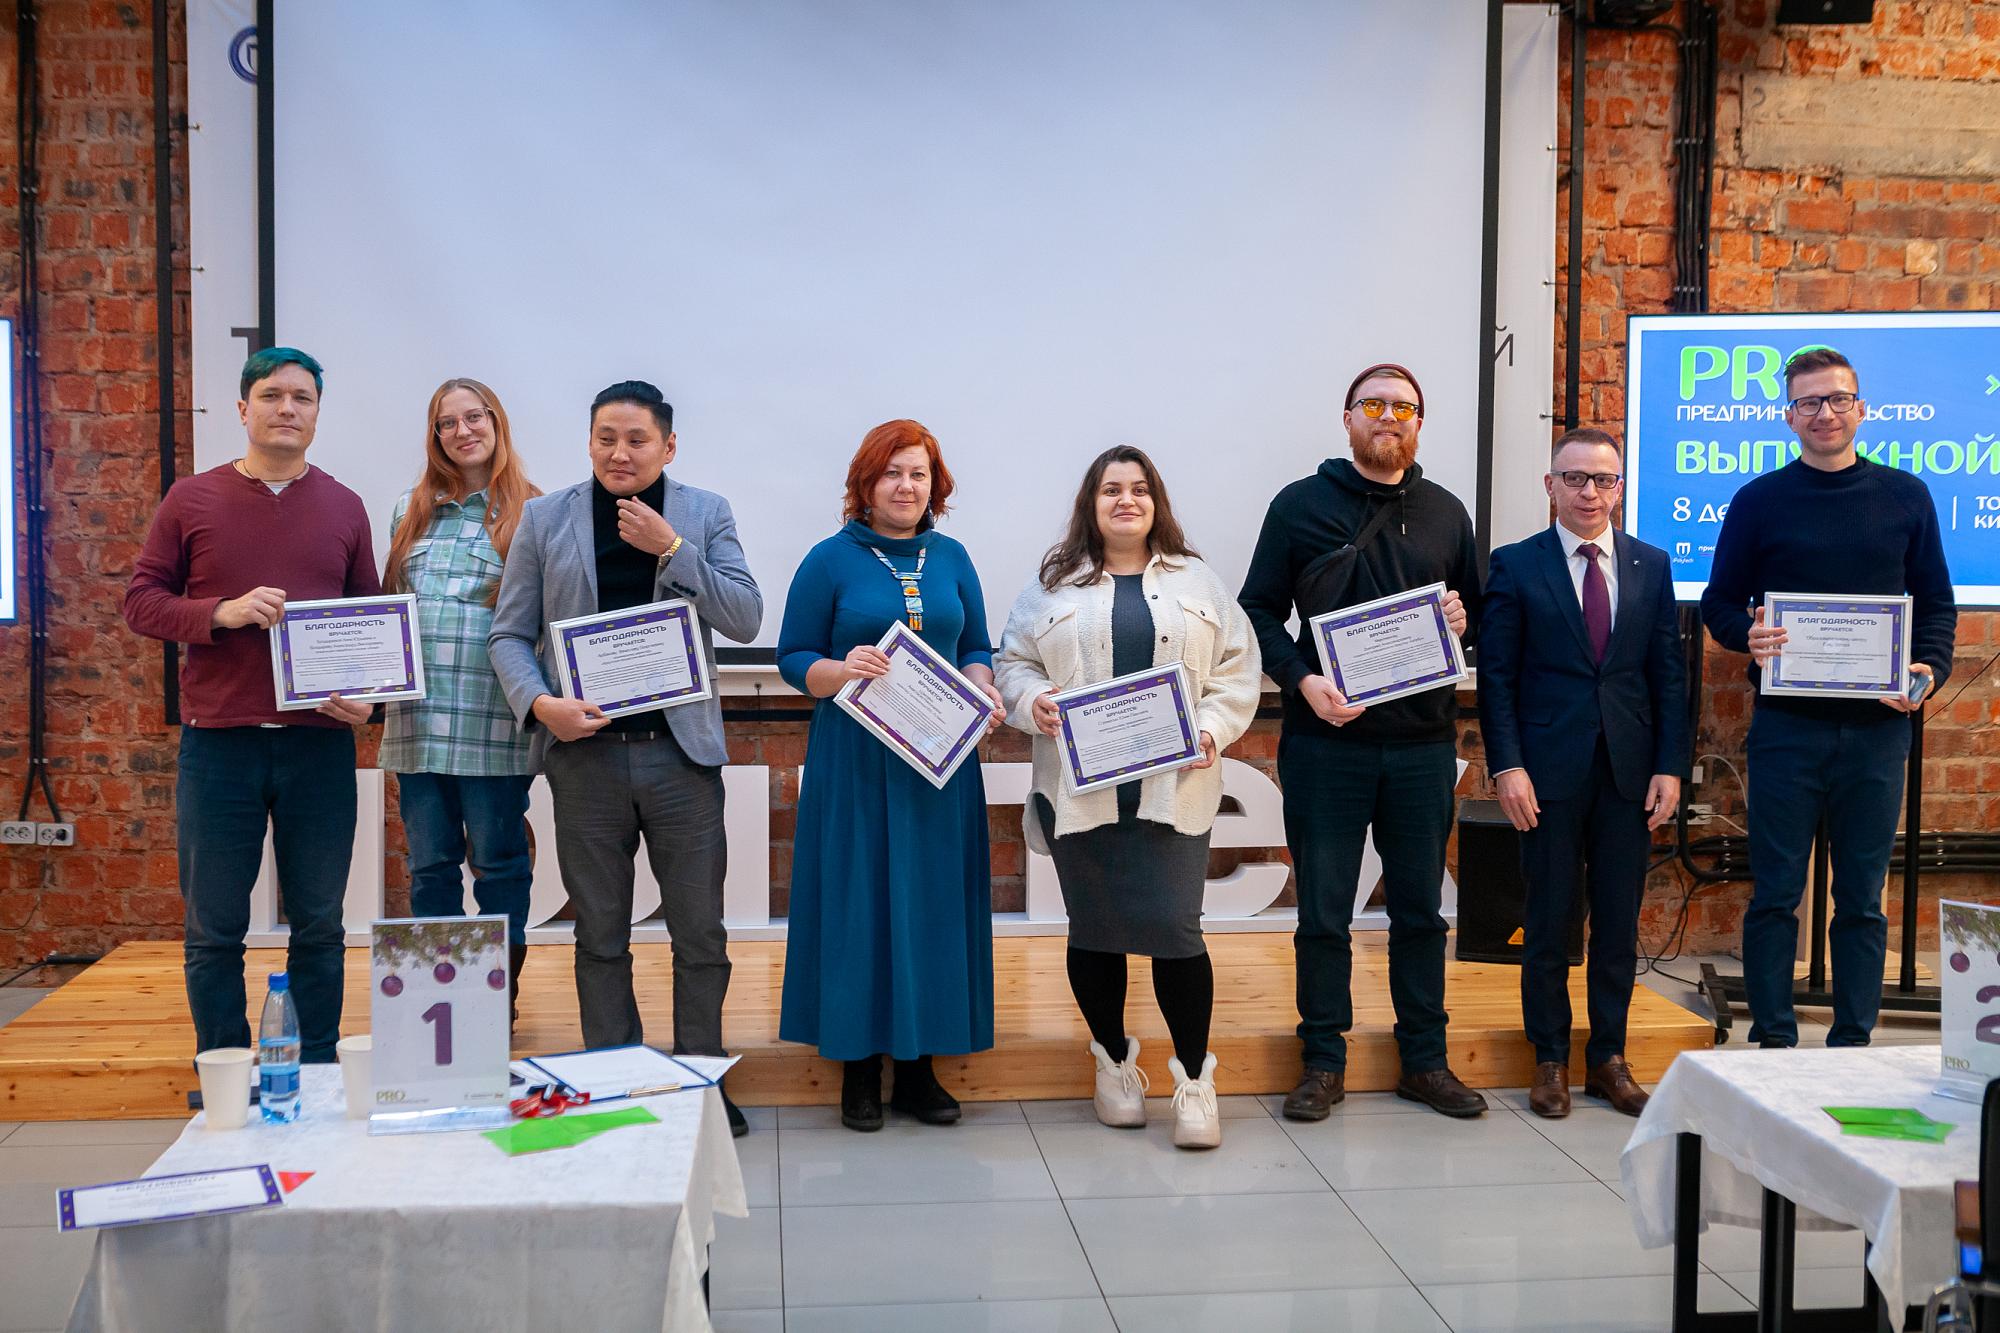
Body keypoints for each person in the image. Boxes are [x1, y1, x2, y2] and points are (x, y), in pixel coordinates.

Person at [488, 379, 761, 1135]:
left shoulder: (704, 514)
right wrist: (541, 704)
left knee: (700, 933)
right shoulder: (546, 518)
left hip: (680, 757)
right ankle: (615, 1078)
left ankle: (702, 1080)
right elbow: (509, 634)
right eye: (605, 437)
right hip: (587, 761)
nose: (620, 452)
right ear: (589, 442)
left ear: (667, 446)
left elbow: (744, 618)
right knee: (600, 934)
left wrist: (670, 548)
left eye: (637, 439)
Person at [1239, 362, 1487, 1119]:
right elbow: (1257, 609)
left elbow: (1476, 617)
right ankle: (1322, 1061)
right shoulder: (1298, 505)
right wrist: (1300, 680)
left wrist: (1460, 622)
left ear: (1420, 423)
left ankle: (1425, 1062)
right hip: (1326, 746)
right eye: (1373, 405)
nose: (1389, 417)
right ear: (1347, 418)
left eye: (1403, 408)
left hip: (1422, 747)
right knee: (1323, 914)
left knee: (1420, 912)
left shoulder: (1447, 511)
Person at [995, 446, 1261, 1149]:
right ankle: (1113, 1063)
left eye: (1139, 489)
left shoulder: (1197, 580)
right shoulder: (1051, 587)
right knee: (1095, 931)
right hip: (1080, 794)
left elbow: (1238, 669)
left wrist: (1211, 728)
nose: (1126, 500)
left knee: (1176, 932)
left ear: (1155, 502)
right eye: (1111, 489)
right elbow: (1012, 662)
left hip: (1174, 791)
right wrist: (1033, 699)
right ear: (1092, 503)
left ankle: (1195, 1080)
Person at [124, 347, 378, 1062]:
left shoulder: (345, 506)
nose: (287, 408)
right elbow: (141, 602)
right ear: (243, 409)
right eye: (271, 395)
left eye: (302, 398)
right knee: (213, 930)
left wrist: (370, 701)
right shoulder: (190, 499)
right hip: (219, 746)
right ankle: (226, 1073)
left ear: (317, 414)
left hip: (318, 747)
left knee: (321, 925)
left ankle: (316, 1070)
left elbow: (369, 621)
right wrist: (221, 611)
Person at [1701, 347, 1955, 1050]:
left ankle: (1853, 1043)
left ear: (1861, 409)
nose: (1825, 413)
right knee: (1775, 893)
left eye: (1838, 399)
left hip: (1878, 732)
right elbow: (1719, 604)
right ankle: (1774, 1041)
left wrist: (1927, 671)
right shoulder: (1758, 500)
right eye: (1809, 402)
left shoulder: (1907, 496)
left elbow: (1936, 605)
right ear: (1790, 416)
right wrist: (1746, 635)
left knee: (1862, 899)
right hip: (1786, 729)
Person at [776, 419, 1004, 1132]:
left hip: (939, 763)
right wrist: (840, 669)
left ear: (936, 485)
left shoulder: (953, 556)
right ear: (865, 484)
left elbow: (975, 644)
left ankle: (917, 1068)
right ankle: (857, 1068)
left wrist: (982, 687)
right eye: (892, 473)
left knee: (931, 903)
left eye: (919, 474)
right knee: (858, 905)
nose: (906, 486)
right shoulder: (828, 560)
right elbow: (792, 656)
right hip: (856, 761)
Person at [1479, 427, 1686, 1118]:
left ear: (1619, 488)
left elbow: (1668, 675)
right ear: (1550, 486)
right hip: (1545, 773)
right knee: (1548, 920)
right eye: (1574, 478)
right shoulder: (1516, 565)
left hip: (1629, 774)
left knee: (1619, 925)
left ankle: (1608, 1059)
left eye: (1603, 479)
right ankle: (1549, 1059)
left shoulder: (1651, 565)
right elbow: (1498, 678)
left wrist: (1670, 766)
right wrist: (1507, 765)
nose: (1589, 491)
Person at [379, 379, 542, 1025]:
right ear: (435, 436)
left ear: (497, 424)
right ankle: (439, 1007)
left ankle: (494, 1007)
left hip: (494, 723)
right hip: (418, 726)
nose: (462, 431)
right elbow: (387, 612)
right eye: (447, 423)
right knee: (430, 869)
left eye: (474, 417)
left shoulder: (534, 511)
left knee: (499, 867)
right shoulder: (408, 510)